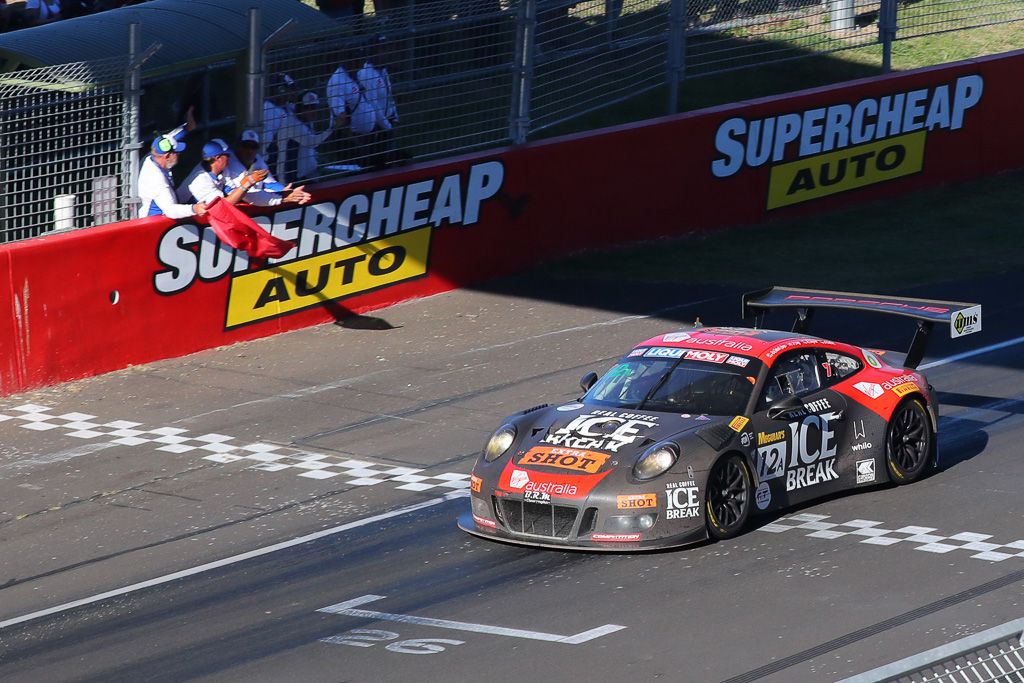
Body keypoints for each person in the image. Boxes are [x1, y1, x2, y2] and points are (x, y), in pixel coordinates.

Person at [224, 129, 312, 206]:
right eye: (245, 146)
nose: (250, 151)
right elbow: (245, 195)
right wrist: (283, 197)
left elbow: (269, 183)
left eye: (253, 147)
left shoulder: (258, 160)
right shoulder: (229, 163)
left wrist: (284, 190)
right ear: (238, 147)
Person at [137, 125, 206, 219]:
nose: (179, 155)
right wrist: (194, 208)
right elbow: (170, 211)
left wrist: (187, 127)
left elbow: (170, 138)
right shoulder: (157, 180)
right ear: (167, 156)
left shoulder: (154, 156)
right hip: (154, 224)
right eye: (176, 152)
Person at [177, 139, 269, 207]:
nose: (230, 158)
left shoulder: (223, 170)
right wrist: (247, 184)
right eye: (227, 155)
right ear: (217, 158)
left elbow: (233, 193)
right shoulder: (200, 180)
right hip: (182, 223)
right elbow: (223, 205)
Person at [274, 91, 340, 183]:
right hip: (291, 179)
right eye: (308, 108)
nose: (312, 111)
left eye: (314, 107)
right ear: (300, 108)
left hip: (307, 176)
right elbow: (311, 142)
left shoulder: (307, 121)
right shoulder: (292, 124)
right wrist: (332, 128)